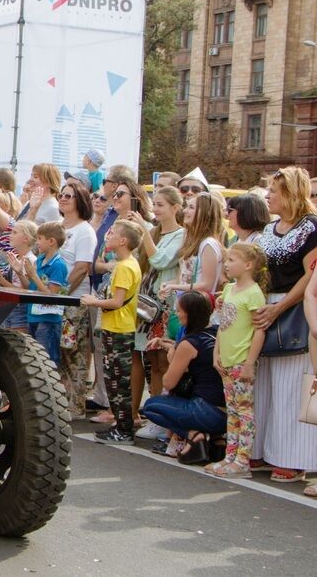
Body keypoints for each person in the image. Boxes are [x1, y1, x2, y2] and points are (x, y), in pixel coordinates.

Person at [253, 167, 317, 484]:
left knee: (291, 385)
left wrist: (279, 307)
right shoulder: (269, 228)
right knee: (263, 383)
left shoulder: (312, 228)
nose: (268, 196)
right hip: (264, 307)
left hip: (293, 309)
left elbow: (310, 276)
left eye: (274, 191)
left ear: (290, 193)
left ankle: (293, 457)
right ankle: (262, 449)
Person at [127, 186, 186, 438]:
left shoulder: (181, 235)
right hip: (147, 305)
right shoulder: (153, 231)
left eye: (161, 204)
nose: (156, 208)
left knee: (164, 360)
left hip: (167, 305)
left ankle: (163, 419)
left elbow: (161, 260)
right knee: (150, 360)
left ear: (175, 208)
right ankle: (154, 416)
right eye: (155, 204)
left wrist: (145, 231)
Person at [205, 243, 268, 478]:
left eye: (232, 260)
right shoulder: (230, 289)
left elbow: (258, 330)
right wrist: (216, 353)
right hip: (227, 359)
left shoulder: (253, 293)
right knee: (231, 410)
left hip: (242, 360)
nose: (227, 264)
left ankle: (243, 460)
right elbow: (223, 324)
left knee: (244, 411)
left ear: (249, 265)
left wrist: (250, 362)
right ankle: (229, 456)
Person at [141, 291, 226, 460]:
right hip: (226, 410)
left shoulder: (188, 344)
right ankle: (216, 439)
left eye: (179, 311)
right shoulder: (216, 332)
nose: (176, 314)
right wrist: (170, 344)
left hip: (205, 410)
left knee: (151, 406)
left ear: (190, 314)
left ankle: (193, 433)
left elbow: (168, 383)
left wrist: (171, 354)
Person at [81, 220, 143, 444]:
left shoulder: (126, 267)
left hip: (118, 330)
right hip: (115, 328)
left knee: (118, 384)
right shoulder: (124, 264)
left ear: (123, 240)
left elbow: (117, 302)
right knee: (114, 382)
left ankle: (124, 430)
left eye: (113, 233)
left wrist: (94, 302)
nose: (107, 236)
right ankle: (120, 425)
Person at [57, 182, 97, 418]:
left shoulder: (85, 231)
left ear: (79, 200)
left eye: (68, 196)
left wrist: (61, 293)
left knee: (74, 351)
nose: (63, 199)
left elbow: (82, 267)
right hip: (54, 300)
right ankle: (62, 399)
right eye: (61, 195)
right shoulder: (59, 226)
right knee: (58, 350)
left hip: (73, 300)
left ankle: (77, 403)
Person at [9, 222, 68, 366]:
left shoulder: (58, 265)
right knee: (34, 361)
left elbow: (52, 297)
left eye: (40, 238)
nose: (37, 242)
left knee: (47, 361)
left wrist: (33, 275)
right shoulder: (40, 259)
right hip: (33, 316)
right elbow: (30, 288)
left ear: (51, 241)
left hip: (48, 320)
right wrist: (19, 272)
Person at [0, 220, 38, 332]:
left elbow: (25, 292)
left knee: (18, 345)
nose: (10, 236)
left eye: (14, 233)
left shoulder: (30, 260)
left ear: (26, 239)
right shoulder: (16, 257)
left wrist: (0, 279)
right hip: (11, 307)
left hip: (20, 309)